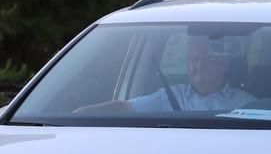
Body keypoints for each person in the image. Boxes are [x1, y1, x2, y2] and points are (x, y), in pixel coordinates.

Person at [74, 36, 254, 114]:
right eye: (194, 59)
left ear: (224, 64)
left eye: (207, 59)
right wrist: (80, 114)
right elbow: (124, 108)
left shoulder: (245, 102)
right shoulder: (170, 96)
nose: (198, 66)